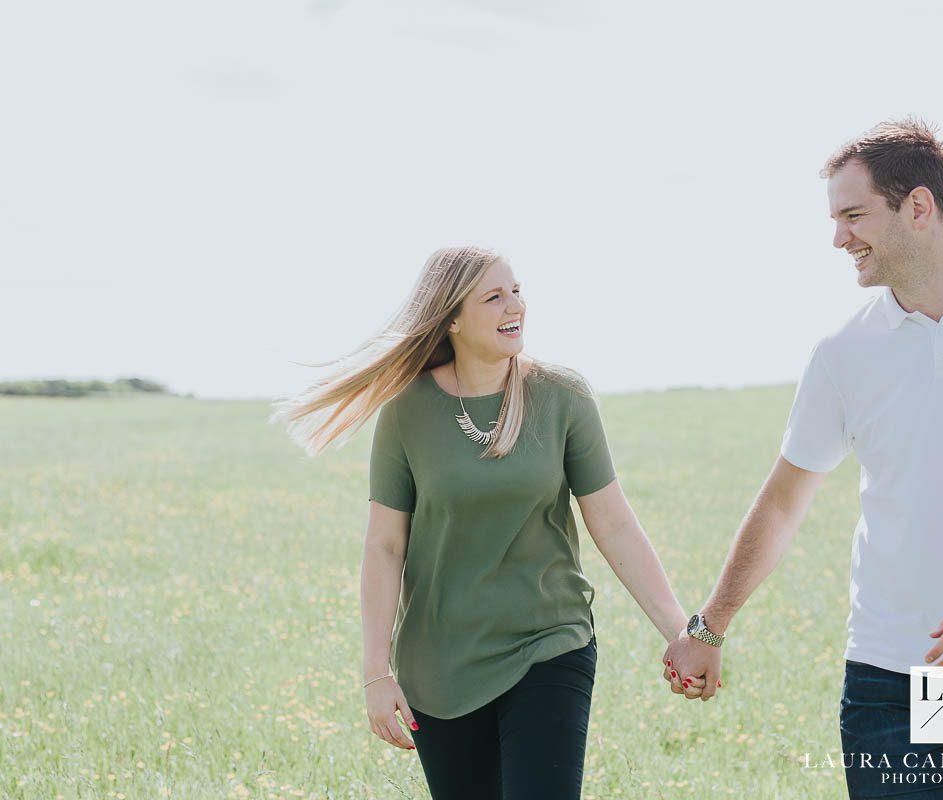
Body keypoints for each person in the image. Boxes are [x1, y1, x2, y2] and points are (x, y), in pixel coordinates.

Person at [661, 119, 943, 799]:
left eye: (853, 215)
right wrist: (709, 627)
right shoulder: (844, 354)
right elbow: (784, 501)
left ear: (918, 208)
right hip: (906, 669)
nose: (839, 238)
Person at [273, 246, 687, 800]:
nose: (514, 305)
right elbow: (385, 547)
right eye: (493, 296)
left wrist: (680, 632)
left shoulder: (562, 396)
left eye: (516, 290)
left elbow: (612, 523)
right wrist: (376, 672)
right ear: (451, 318)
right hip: (439, 664)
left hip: (548, 642)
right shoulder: (406, 410)